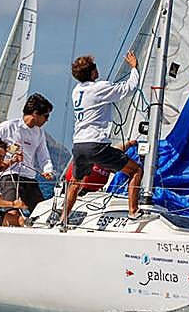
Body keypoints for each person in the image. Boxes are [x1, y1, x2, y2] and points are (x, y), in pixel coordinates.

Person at [61, 50, 143, 229]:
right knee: (135, 170)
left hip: (79, 145)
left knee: (76, 182)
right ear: (92, 72)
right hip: (96, 145)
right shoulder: (99, 88)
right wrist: (134, 68)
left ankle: (62, 220)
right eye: (95, 67)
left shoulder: (77, 91)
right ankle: (133, 211)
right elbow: (129, 88)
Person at [0, 93, 55, 213]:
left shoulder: (39, 133)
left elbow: (44, 155)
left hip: (29, 177)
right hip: (9, 174)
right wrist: (7, 149)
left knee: (41, 212)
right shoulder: (8, 127)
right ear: (35, 113)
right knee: (12, 211)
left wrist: (47, 170)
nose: (47, 119)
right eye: (45, 115)